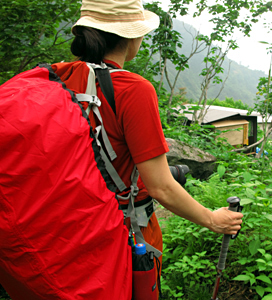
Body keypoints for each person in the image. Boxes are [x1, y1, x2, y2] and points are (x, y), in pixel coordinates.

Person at [52, 0, 243, 295]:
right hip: (123, 233)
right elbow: (161, 187)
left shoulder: (55, 77)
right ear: (132, 36)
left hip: (66, 227)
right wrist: (213, 219)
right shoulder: (133, 89)